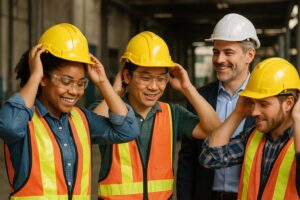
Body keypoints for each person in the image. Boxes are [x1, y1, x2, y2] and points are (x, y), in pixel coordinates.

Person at [0, 23, 139, 199]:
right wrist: (35, 76)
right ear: (43, 78)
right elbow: (9, 127)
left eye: (81, 83)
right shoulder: (23, 121)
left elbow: (128, 130)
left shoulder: (82, 119)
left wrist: (103, 82)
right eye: (66, 82)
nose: (75, 91)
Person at [91, 31, 221, 199]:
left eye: (161, 79)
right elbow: (86, 132)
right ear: (127, 76)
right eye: (145, 78)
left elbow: (216, 131)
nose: (153, 87)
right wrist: (114, 91)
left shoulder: (173, 114)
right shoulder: (108, 109)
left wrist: (188, 88)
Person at [177, 13, 259, 200]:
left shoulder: (264, 101)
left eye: (228, 52)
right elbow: (187, 160)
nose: (219, 59)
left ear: (249, 55)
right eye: (216, 52)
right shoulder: (199, 97)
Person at [199, 57, 300, 199]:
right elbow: (209, 158)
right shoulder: (254, 136)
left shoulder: (297, 144)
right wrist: (238, 113)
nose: (253, 112)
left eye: (264, 104)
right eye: (253, 103)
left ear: (289, 103)